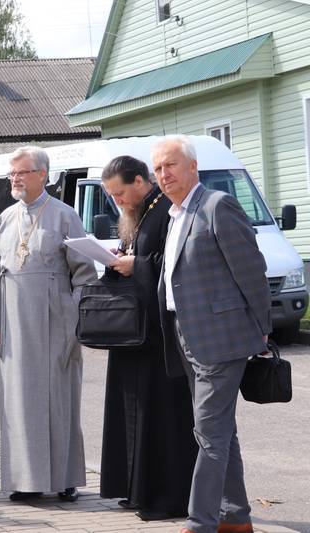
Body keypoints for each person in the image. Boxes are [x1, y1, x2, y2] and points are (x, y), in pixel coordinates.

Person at [152, 135, 270, 533]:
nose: (164, 175)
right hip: (186, 337)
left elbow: (251, 272)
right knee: (220, 433)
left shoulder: (217, 206)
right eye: (158, 169)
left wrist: (262, 330)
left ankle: (199, 523)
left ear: (192, 167)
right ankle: (235, 518)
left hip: (221, 339)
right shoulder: (174, 214)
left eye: (170, 165)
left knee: (208, 434)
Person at [0, 146, 97, 502]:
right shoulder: (4, 218)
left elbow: (85, 273)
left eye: (21, 173)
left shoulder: (64, 215)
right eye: (11, 174)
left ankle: (66, 480)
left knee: (59, 400)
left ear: (42, 175)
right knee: (18, 402)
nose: (14, 179)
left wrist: (72, 315)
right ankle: (23, 480)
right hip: (15, 324)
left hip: (55, 320)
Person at [98, 156, 197, 520]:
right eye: (112, 195)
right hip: (134, 331)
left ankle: (169, 496)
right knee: (133, 411)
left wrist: (135, 264)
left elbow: (176, 262)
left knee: (161, 416)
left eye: (120, 193)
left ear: (140, 183)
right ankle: (137, 490)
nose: (118, 201)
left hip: (158, 334)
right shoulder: (143, 211)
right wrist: (122, 257)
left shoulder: (163, 210)